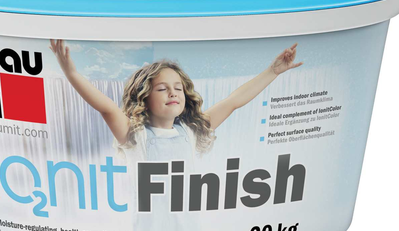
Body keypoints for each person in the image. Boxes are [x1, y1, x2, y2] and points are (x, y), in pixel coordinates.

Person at [49, 39, 303, 165]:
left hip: (189, 228)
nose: (173, 93)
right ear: (144, 98)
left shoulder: (191, 132)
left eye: (178, 88)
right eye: (162, 89)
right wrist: (71, 73)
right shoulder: (135, 136)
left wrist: (272, 72)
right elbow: (106, 108)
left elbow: (233, 101)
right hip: (149, 230)